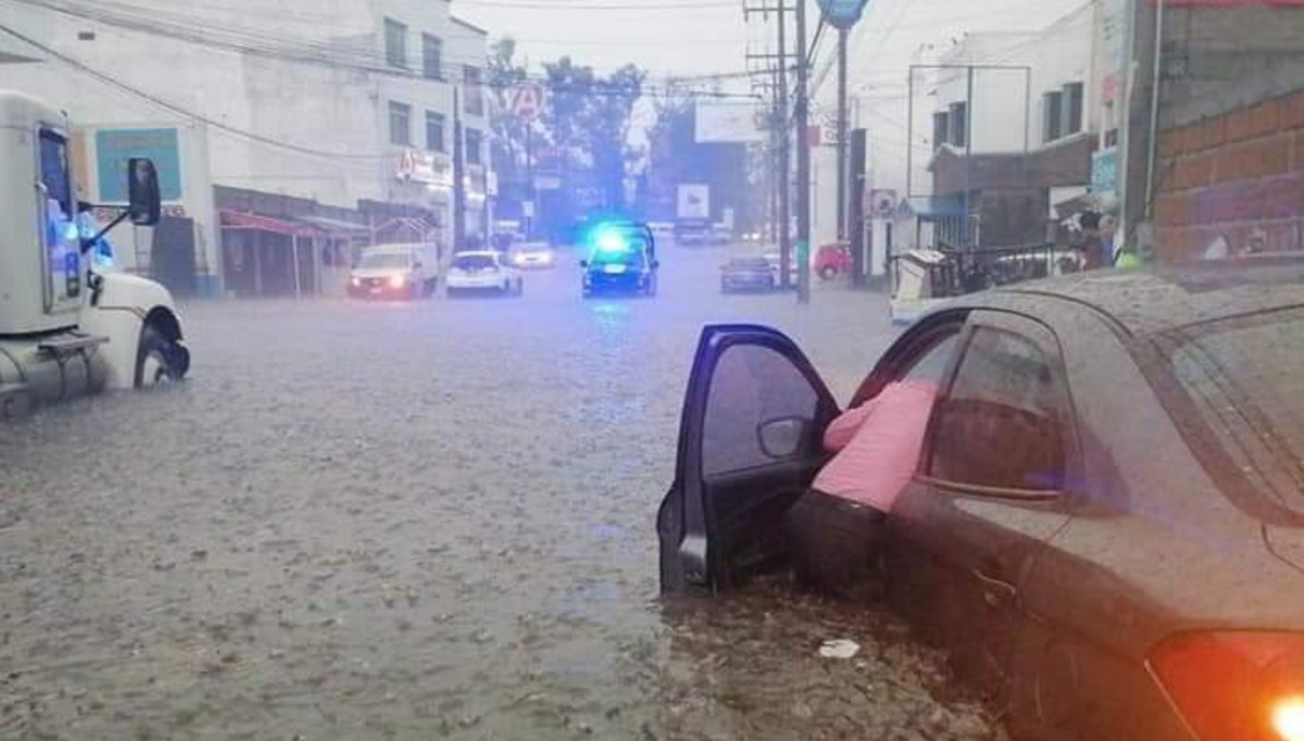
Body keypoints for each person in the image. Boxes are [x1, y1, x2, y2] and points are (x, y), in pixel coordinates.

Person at [785, 376, 940, 601]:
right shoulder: (960, 416)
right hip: (856, 529)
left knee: (806, 604)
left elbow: (832, 436)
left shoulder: (902, 392)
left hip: (805, 512)